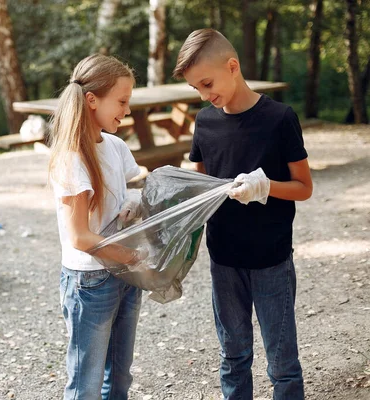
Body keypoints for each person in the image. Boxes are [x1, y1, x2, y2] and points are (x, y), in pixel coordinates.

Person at [173, 28, 313, 400]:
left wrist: (264, 187)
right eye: (196, 90)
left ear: (232, 66)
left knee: (282, 364)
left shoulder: (280, 118)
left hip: (272, 259)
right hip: (224, 259)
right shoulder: (205, 122)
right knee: (233, 355)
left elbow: (304, 187)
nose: (204, 96)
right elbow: (201, 186)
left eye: (207, 83)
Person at [48, 53, 147, 400]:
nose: (126, 109)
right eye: (121, 101)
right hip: (90, 283)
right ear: (92, 100)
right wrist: (130, 255)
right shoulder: (71, 157)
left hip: (123, 275)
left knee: (119, 378)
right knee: (85, 385)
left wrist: (133, 202)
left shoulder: (116, 146)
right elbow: (79, 237)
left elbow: (135, 187)